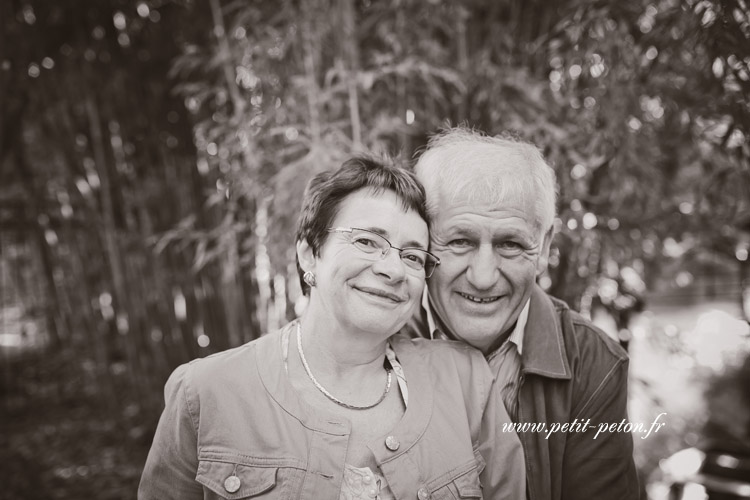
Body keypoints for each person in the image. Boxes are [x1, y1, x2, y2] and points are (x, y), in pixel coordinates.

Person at [138, 155, 525, 499]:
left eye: (412, 255)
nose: (392, 270)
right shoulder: (206, 393)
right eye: (368, 242)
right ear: (310, 252)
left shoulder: (464, 381)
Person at [409, 128, 639, 500]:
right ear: (422, 240)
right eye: (460, 241)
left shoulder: (593, 363)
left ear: (544, 245)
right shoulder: (378, 340)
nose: (483, 277)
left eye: (510, 244)